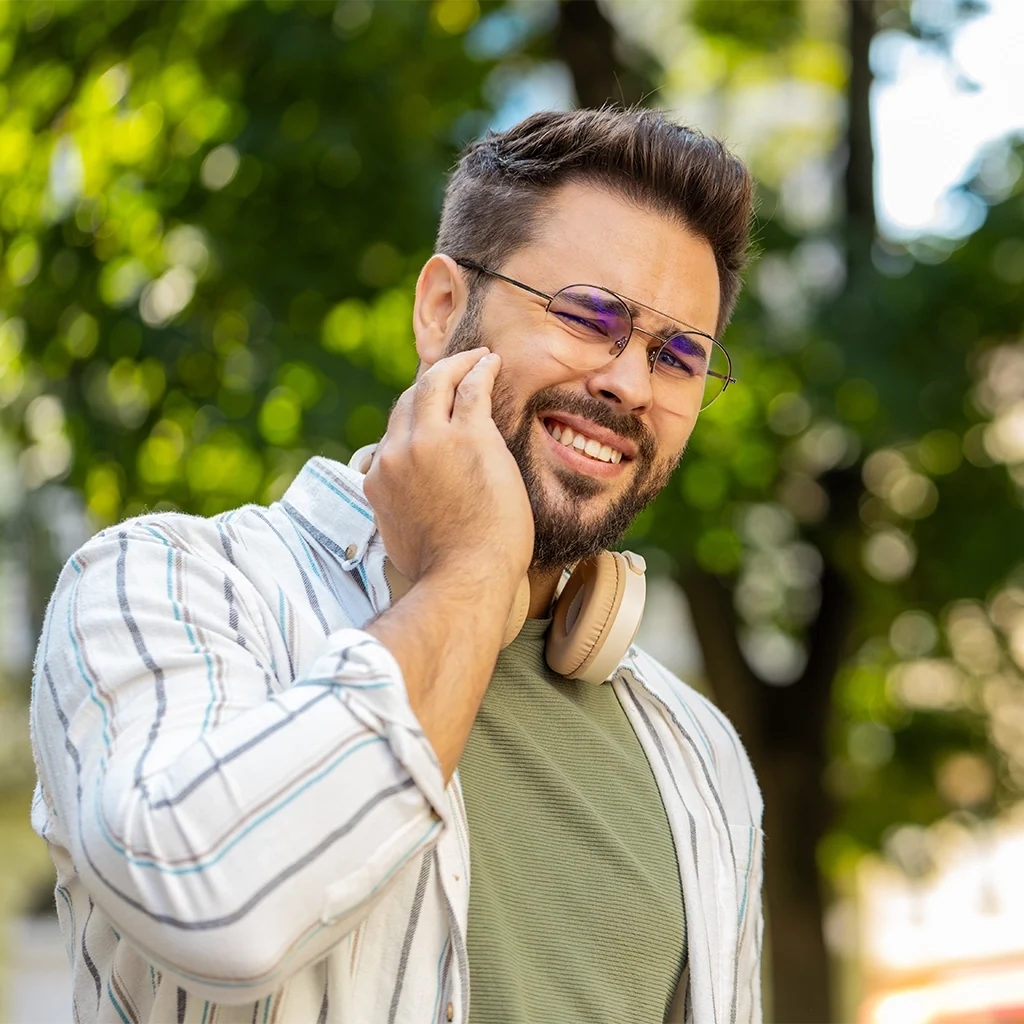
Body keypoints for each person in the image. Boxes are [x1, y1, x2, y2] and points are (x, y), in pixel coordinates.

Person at [30, 106, 763, 1024]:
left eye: (678, 355)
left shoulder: (699, 756)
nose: (630, 383)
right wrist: (469, 575)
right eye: (588, 314)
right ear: (443, 308)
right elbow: (212, 903)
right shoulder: (161, 586)